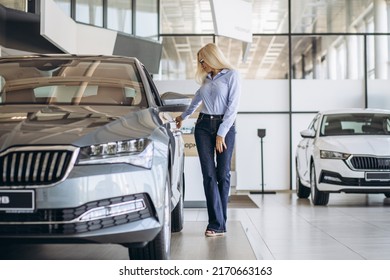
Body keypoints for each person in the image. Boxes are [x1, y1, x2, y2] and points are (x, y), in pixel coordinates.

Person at [175, 43, 241, 237]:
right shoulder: (206, 79)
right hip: (203, 126)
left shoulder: (232, 75)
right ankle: (215, 224)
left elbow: (232, 107)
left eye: (202, 60)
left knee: (223, 175)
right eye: (199, 61)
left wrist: (221, 133)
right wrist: (183, 117)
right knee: (209, 176)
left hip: (225, 128)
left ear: (212, 58)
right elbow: (196, 99)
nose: (201, 64)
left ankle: (220, 223)